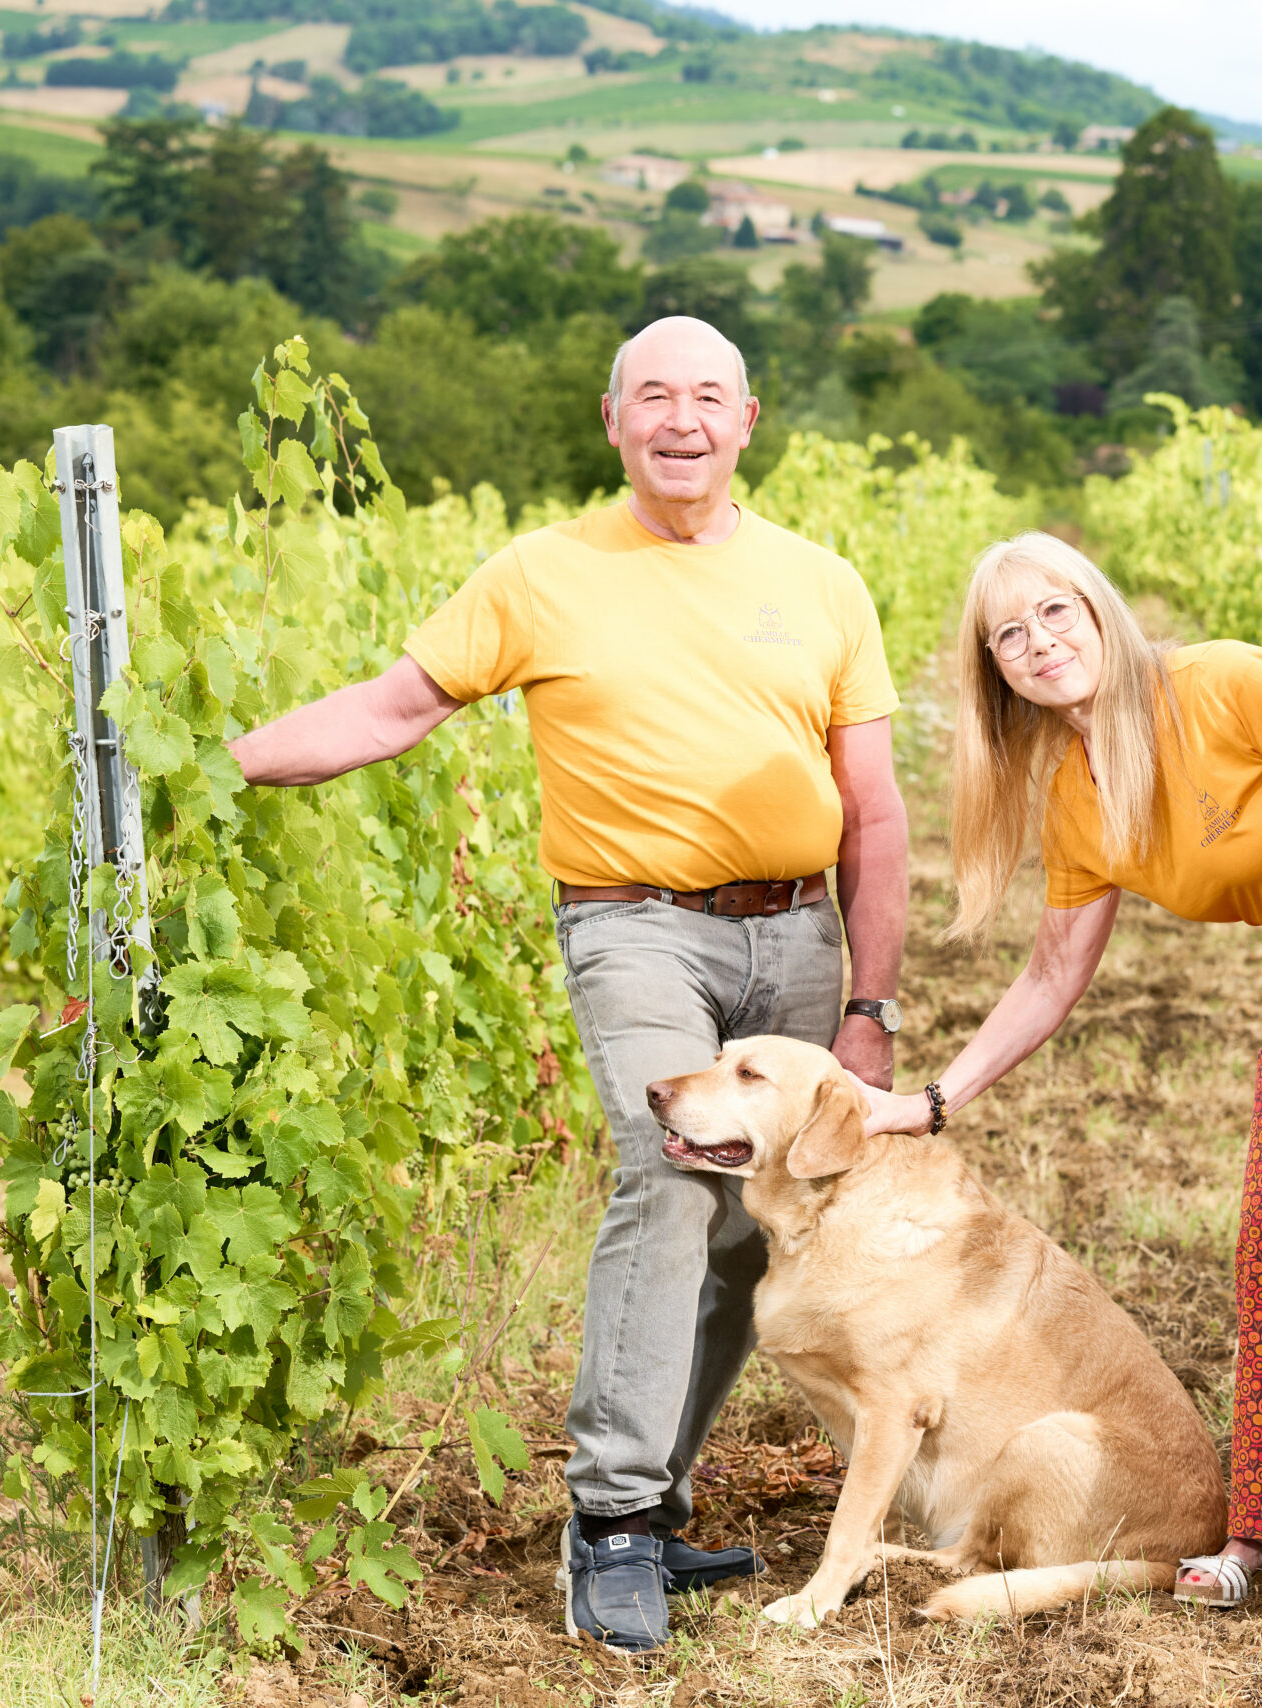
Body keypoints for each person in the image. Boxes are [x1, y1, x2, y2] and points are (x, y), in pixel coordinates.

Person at [228, 317, 911, 1654]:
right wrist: (216, 759)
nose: (680, 420)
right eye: (652, 395)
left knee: (753, 1215)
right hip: (634, 926)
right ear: (612, 420)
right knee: (673, 1170)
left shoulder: (821, 583)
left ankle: (659, 1501)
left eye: (706, 396)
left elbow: (874, 812)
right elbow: (389, 710)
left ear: (747, 421)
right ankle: (609, 1521)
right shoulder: (541, 574)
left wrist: (869, 1008)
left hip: (796, 932)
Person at [851, 532, 1262, 1622]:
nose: (1039, 643)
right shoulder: (1078, 793)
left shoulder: (1224, 687)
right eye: (1009, 635)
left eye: (1054, 611)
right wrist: (930, 1100)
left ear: (1097, 607)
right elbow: (1051, 974)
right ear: (996, 673)